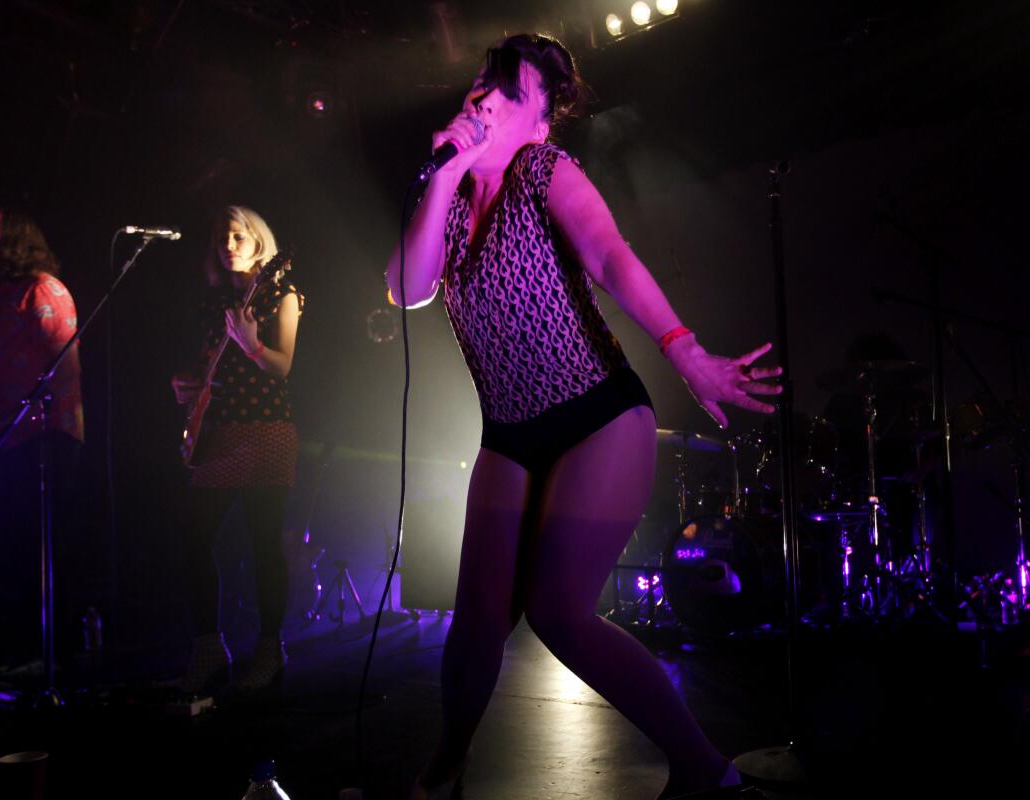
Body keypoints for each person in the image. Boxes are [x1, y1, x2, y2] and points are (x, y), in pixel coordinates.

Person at [385, 35, 782, 799]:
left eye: (507, 92)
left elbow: (610, 258)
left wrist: (687, 352)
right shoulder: (454, 190)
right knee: (475, 626)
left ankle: (708, 772)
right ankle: (445, 767)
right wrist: (447, 173)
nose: (483, 99)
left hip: (597, 414)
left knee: (559, 613)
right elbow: (407, 287)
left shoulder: (545, 169)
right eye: (479, 84)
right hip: (509, 433)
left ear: (540, 122)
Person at [171, 205, 303, 694]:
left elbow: (282, 366)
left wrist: (250, 344)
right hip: (222, 434)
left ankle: (270, 651)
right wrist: (188, 386)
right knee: (193, 536)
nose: (228, 245)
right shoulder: (215, 304)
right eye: (222, 238)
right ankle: (210, 648)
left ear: (258, 242)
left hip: (268, 431)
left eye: (238, 237)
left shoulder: (281, 294)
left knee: (264, 545)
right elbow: (209, 369)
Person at [0, 208, 85, 671]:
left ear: (13, 237)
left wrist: (54, 435)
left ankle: (48, 653)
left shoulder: (42, 290)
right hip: (2, 440)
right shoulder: (2, 295)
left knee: (39, 549)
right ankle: (14, 648)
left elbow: (66, 368)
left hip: (43, 441)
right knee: (6, 548)